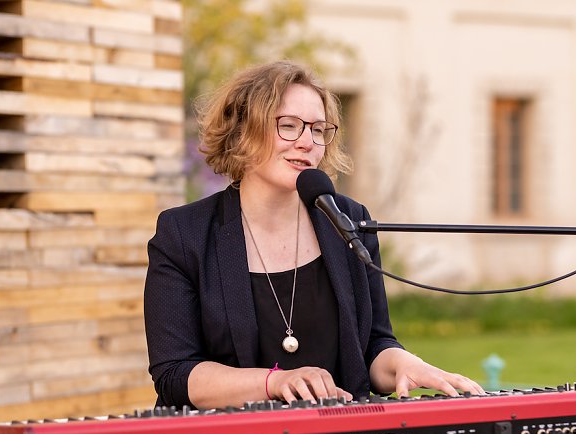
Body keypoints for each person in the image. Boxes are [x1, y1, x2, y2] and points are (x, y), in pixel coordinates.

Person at [144, 60, 483, 410]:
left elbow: (373, 346)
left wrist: (405, 364)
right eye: (289, 126)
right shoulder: (184, 234)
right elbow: (175, 374)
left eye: (318, 130)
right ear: (242, 132)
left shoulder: (349, 222)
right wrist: (276, 382)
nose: (307, 142)